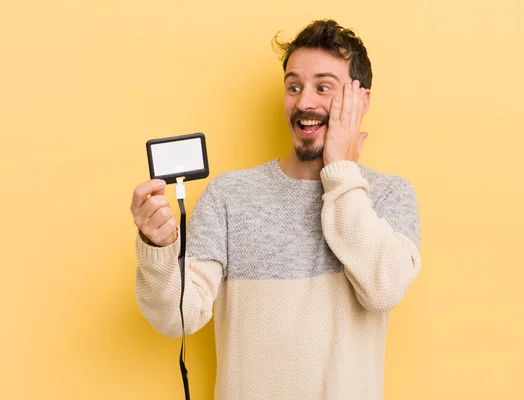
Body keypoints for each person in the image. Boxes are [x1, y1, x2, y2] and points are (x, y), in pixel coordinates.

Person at [130, 19, 422, 400]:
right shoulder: (229, 196)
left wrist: (342, 174)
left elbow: (384, 289)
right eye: (294, 87)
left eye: (323, 87)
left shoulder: (388, 196)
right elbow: (177, 317)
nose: (305, 103)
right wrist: (156, 249)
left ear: (361, 101)